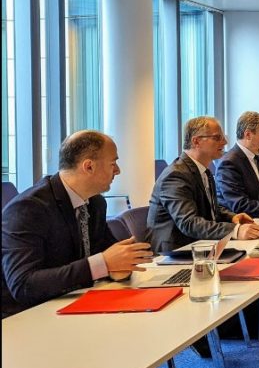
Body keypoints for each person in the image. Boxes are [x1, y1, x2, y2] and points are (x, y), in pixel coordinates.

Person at [1, 130, 153, 317]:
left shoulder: (95, 203)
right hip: (27, 317)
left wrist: (120, 267)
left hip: (77, 305)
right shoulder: (28, 208)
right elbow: (24, 285)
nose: (118, 170)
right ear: (89, 166)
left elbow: (110, 255)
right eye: (113, 163)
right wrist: (103, 264)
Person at [147, 116, 259, 253]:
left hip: (201, 245)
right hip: (175, 252)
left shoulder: (204, 171)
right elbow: (189, 223)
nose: (225, 142)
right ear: (196, 141)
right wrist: (236, 230)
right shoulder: (175, 176)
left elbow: (208, 206)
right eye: (217, 137)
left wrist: (231, 217)